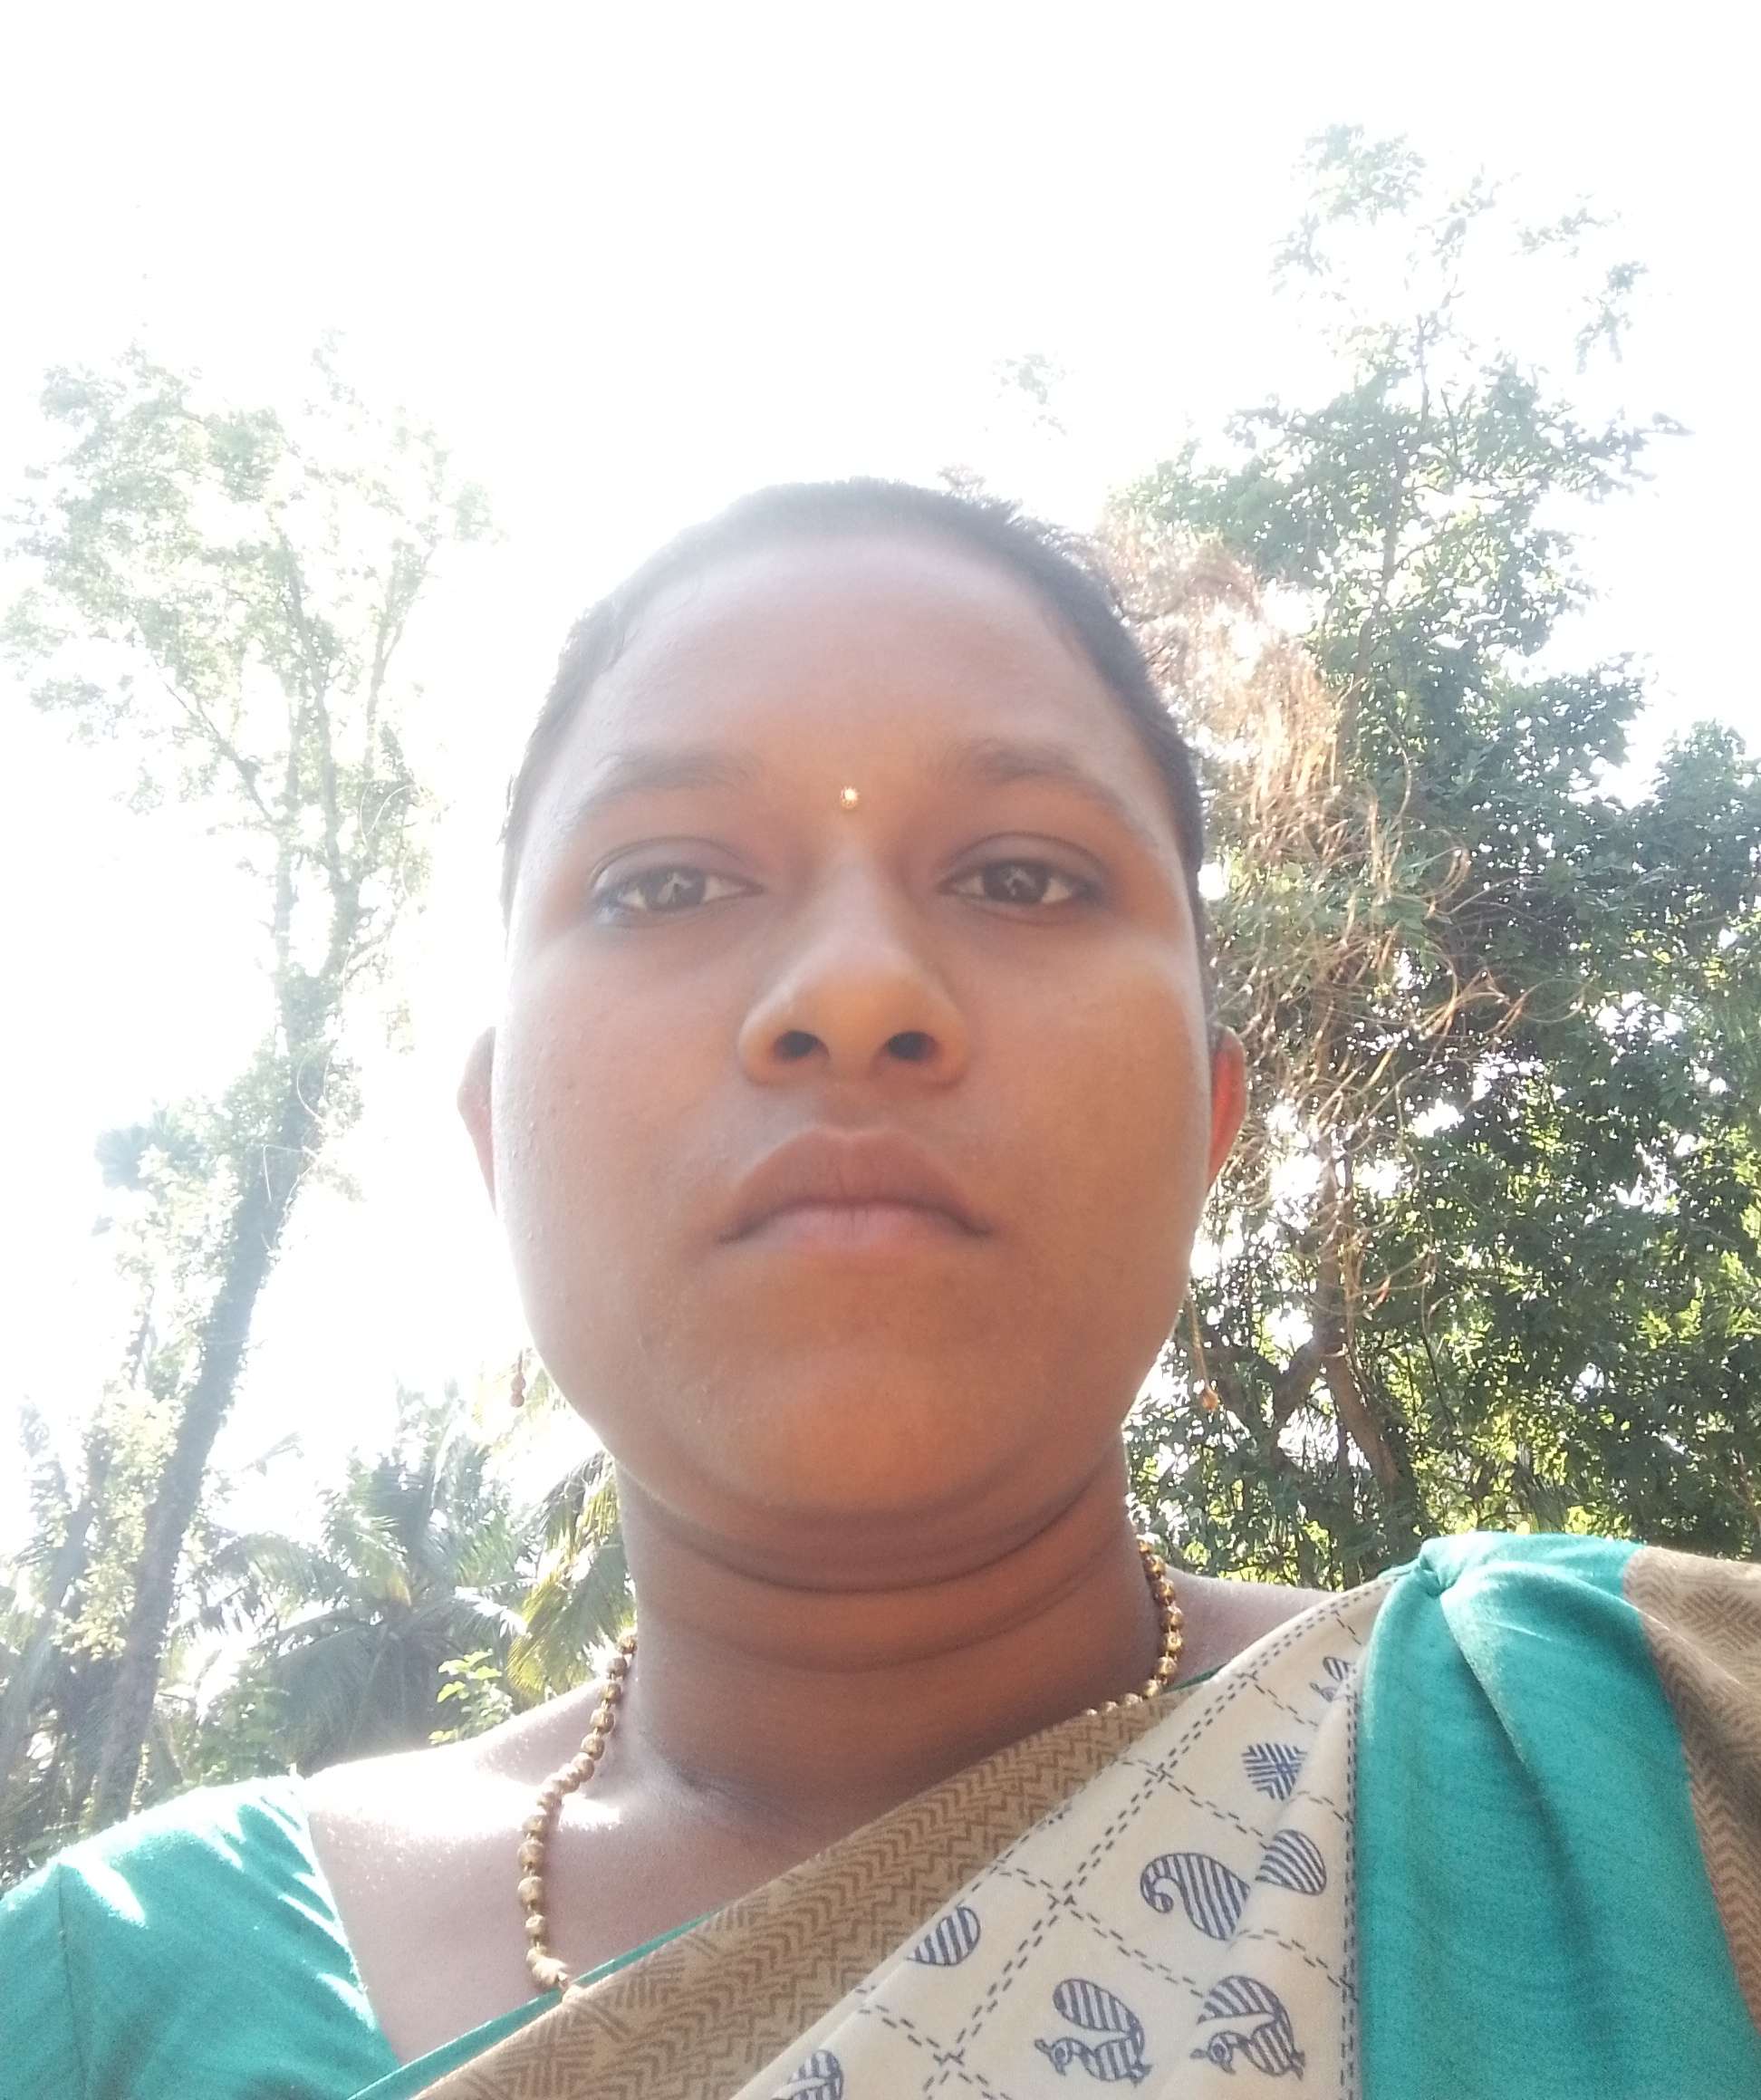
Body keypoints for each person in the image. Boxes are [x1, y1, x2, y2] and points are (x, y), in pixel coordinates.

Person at [4, 478, 1758, 2100]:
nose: (853, 991)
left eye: (1022, 876)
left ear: (1209, 1120)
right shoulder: (112, 2002)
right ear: (493, 1130)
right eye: (668, 881)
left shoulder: (1647, 1754)